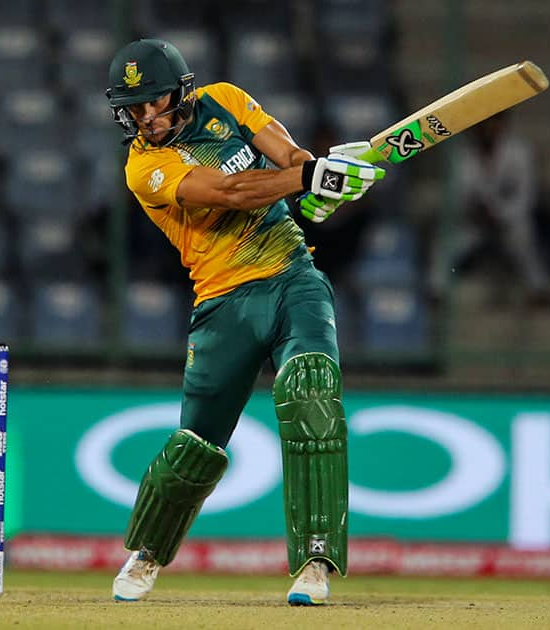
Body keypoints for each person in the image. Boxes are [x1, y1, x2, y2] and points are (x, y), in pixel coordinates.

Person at [104, 39, 385, 605]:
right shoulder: (145, 166)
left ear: (181, 94)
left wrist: (323, 174)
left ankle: (315, 561)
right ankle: (149, 552)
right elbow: (230, 192)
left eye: (151, 104)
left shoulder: (226, 100)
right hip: (223, 301)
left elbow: (288, 157)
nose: (142, 119)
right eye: (132, 109)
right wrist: (313, 180)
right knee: (197, 445)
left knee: (312, 389)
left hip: (293, 277)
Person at [431, 111, 550, 304]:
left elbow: (526, 196)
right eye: (484, 124)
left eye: (494, 123)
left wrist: (500, 214)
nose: (489, 129)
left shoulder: (519, 151)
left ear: (503, 125)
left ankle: (538, 288)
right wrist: (477, 212)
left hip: (509, 219)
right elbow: (457, 195)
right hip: (474, 220)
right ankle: (437, 290)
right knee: (446, 241)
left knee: (523, 236)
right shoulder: (462, 154)